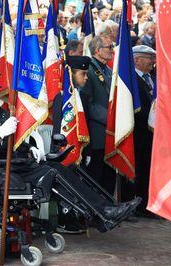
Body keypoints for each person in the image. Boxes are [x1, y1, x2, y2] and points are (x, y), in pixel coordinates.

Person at [0, 70, 141, 233]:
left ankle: (106, 210)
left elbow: (16, 138)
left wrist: (31, 148)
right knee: (54, 172)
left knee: (65, 167)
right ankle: (103, 214)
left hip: (17, 163)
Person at [51, 56, 91, 233]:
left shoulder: (78, 95)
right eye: (83, 74)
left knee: (78, 181)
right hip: (63, 147)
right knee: (66, 183)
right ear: (71, 74)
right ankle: (65, 219)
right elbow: (60, 127)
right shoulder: (63, 98)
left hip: (76, 148)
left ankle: (76, 214)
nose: (86, 77)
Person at [80, 35, 116, 195]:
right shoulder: (89, 70)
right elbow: (89, 104)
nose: (112, 50)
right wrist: (111, 118)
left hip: (109, 132)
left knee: (109, 173)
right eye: (109, 47)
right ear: (97, 50)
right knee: (96, 174)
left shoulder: (107, 69)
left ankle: (109, 205)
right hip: (97, 132)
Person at [131, 45, 156, 217]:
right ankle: (140, 205)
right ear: (137, 60)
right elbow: (137, 107)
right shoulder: (132, 80)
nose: (153, 62)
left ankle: (149, 203)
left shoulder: (152, 78)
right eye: (149, 58)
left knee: (149, 169)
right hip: (139, 133)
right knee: (140, 170)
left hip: (153, 134)